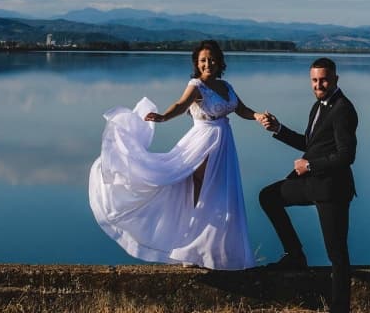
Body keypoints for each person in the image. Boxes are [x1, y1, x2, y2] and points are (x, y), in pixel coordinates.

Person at [88, 40, 271, 270]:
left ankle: (215, 252)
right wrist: (164, 117)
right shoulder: (196, 85)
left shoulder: (226, 86)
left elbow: (241, 109)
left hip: (224, 144)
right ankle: (191, 249)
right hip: (202, 142)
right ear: (197, 63)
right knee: (203, 193)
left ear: (220, 61)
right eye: (203, 60)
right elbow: (181, 104)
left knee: (222, 195)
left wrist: (257, 116)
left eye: (212, 59)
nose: (208, 64)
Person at [258, 57, 358, 313]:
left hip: (332, 191)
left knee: (336, 253)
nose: (319, 85)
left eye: (324, 79)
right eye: (314, 80)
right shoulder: (318, 106)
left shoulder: (343, 110)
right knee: (269, 197)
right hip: (312, 183)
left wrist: (310, 165)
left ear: (336, 79)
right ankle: (295, 255)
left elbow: (346, 156)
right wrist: (278, 129)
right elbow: (310, 144)